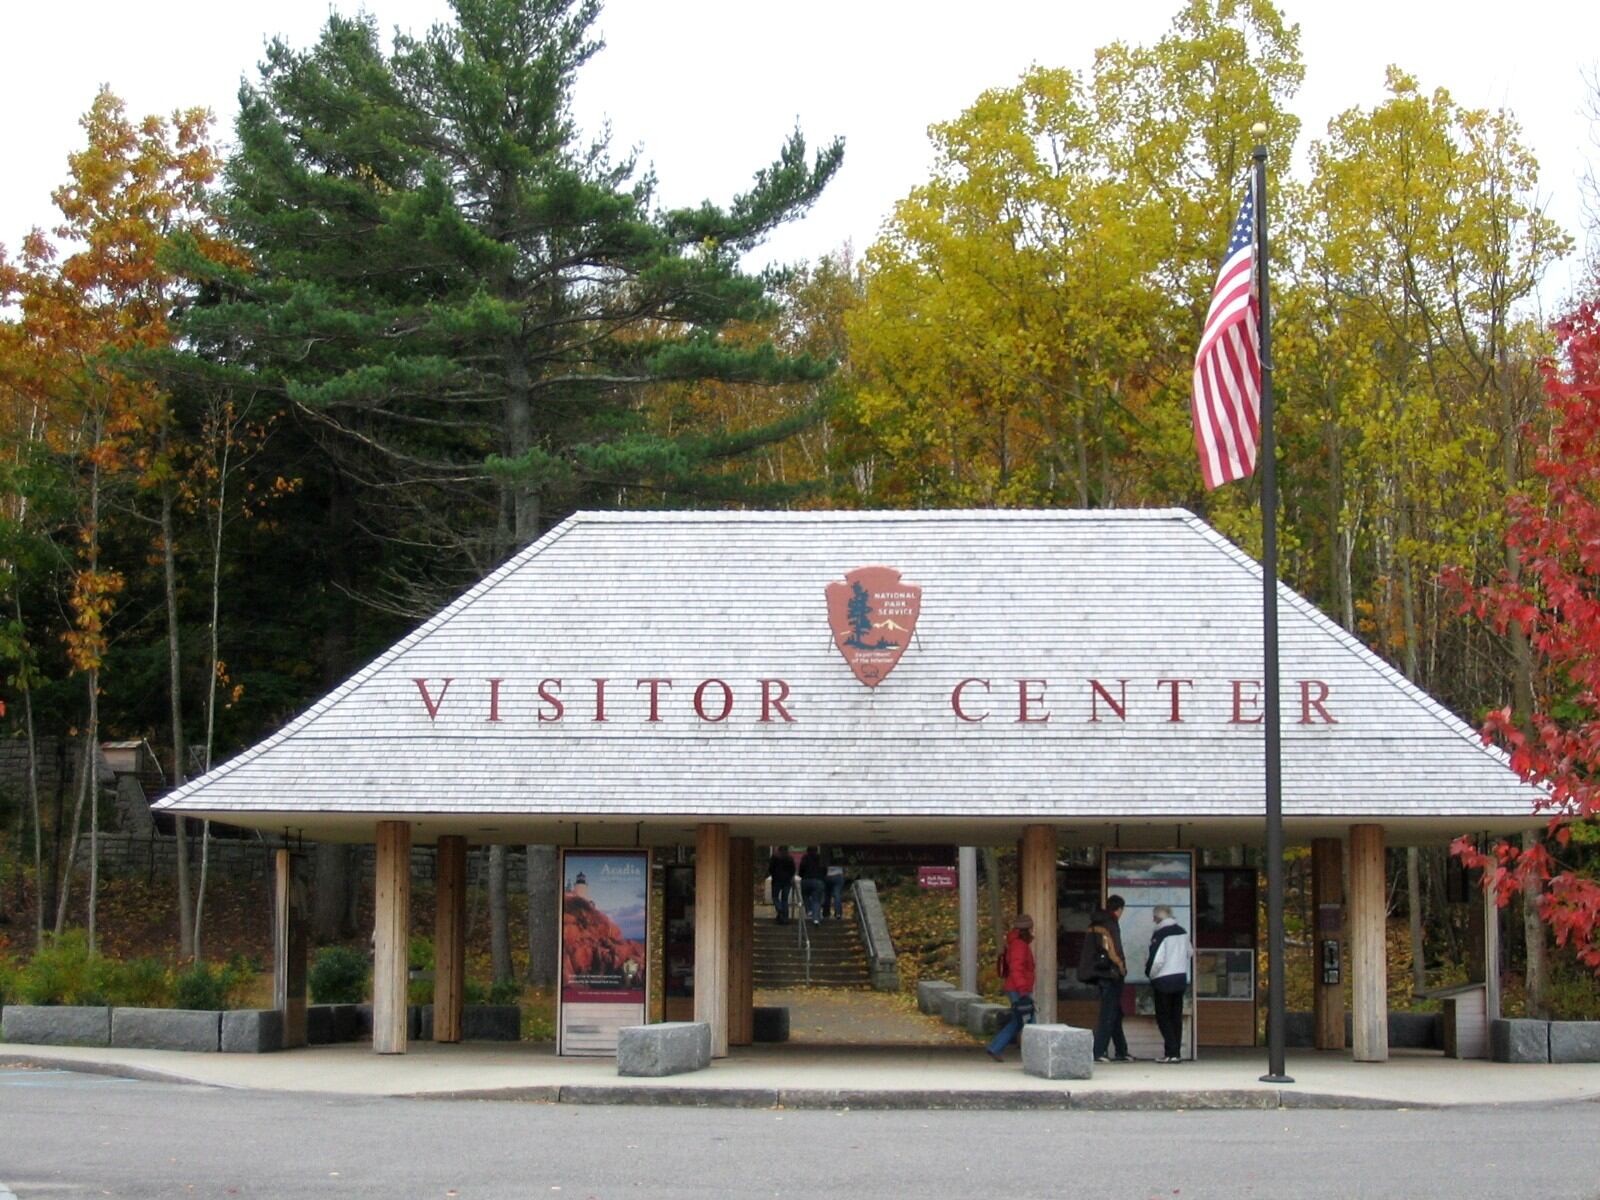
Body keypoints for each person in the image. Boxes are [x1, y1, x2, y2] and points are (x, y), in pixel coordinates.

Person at [1078, 894, 1131, 1063]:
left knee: (1115, 1013)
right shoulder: (1110, 924)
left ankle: (1121, 1050)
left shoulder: (1095, 923)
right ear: (1119, 909)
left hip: (1098, 973)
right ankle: (1098, 1051)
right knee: (1108, 1014)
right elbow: (1113, 950)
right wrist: (1122, 968)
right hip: (1110, 974)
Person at [986, 913, 1037, 1061]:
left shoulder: (1015, 943)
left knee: (1018, 1021)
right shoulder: (1020, 945)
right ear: (1027, 929)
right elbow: (1016, 968)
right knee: (1030, 1022)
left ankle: (995, 1047)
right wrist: (1023, 990)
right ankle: (1036, 1055)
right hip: (1018, 988)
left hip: (1016, 987)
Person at [1145, 904, 1192, 1063]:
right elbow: (1190, 952)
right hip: (1180, 978)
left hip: (1163, 980)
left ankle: (1170, 1051)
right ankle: (1175, 1053)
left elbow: (1157, 961)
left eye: (1154, 918)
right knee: (1175, 1016)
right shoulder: (1182, 932)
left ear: (1158, 918)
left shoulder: (1160, 934)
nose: (1153, 920)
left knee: (1163, 1017)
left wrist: (1150, 975)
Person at [767, 849, 796, 924]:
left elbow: (770, 868)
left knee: (775, 897)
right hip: (787, 881)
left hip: (776, 880)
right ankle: (785, 918)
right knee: (785, 899)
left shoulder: (775, 857)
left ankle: (780, 909)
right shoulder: (790, 858)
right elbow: (793, 869)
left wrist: (773, 874)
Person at [798, 847, 825, 924]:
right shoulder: (821, 858)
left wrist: (802, 875)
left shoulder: (805, 858)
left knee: (805, 895)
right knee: (816, 900)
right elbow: (825, 870)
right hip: (818, 881)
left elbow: (801, 870)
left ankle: (809, 910)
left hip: (806, 880)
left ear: (807, 851)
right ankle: (816, 918)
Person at [824, 855, 847, 919]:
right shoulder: (839, 856)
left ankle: (826, 913)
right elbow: (845, 868)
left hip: (828, 876)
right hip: (838, 875)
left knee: (827, 895)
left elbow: (823, 867)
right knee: (837, 895)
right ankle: (838, 913)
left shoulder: (826, 856)